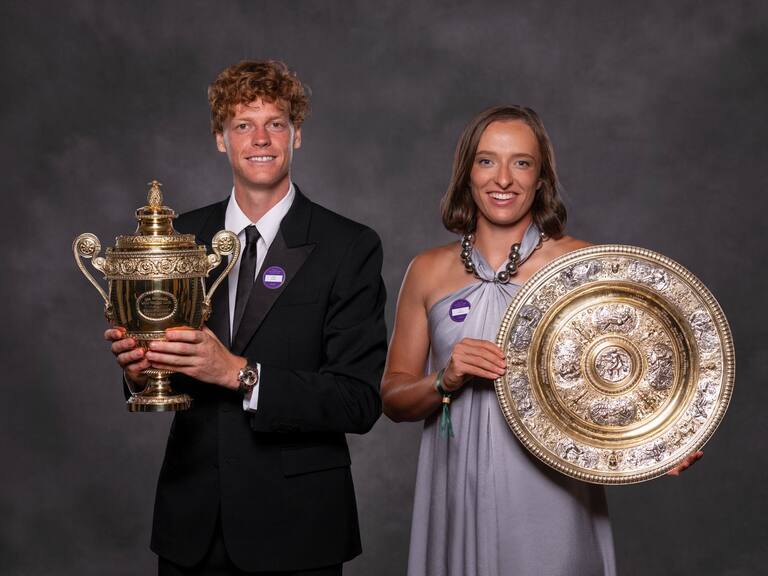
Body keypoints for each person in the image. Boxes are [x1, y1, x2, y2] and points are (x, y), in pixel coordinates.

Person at [381, 105, 701, 576]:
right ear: (467, 172)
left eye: (522, 163)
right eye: (488, 161)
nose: (504, 179)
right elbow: (393, 397)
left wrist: (661, 439)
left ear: (541, 178)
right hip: (456, 491)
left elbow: (632, 364)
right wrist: (444, 381)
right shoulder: (427, 270)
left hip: (551, 497)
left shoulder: (583, 266)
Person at [105, 60, 387, 575]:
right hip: (191, 526)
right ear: (220, 139)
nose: (261, 138)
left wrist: (239, 373)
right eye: (243, 125)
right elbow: (155, 369)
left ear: (296, 134)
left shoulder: (349, 246)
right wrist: (139, 372)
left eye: (275, 123)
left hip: (300, 528)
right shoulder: (178, 239)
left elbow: (358, 400)